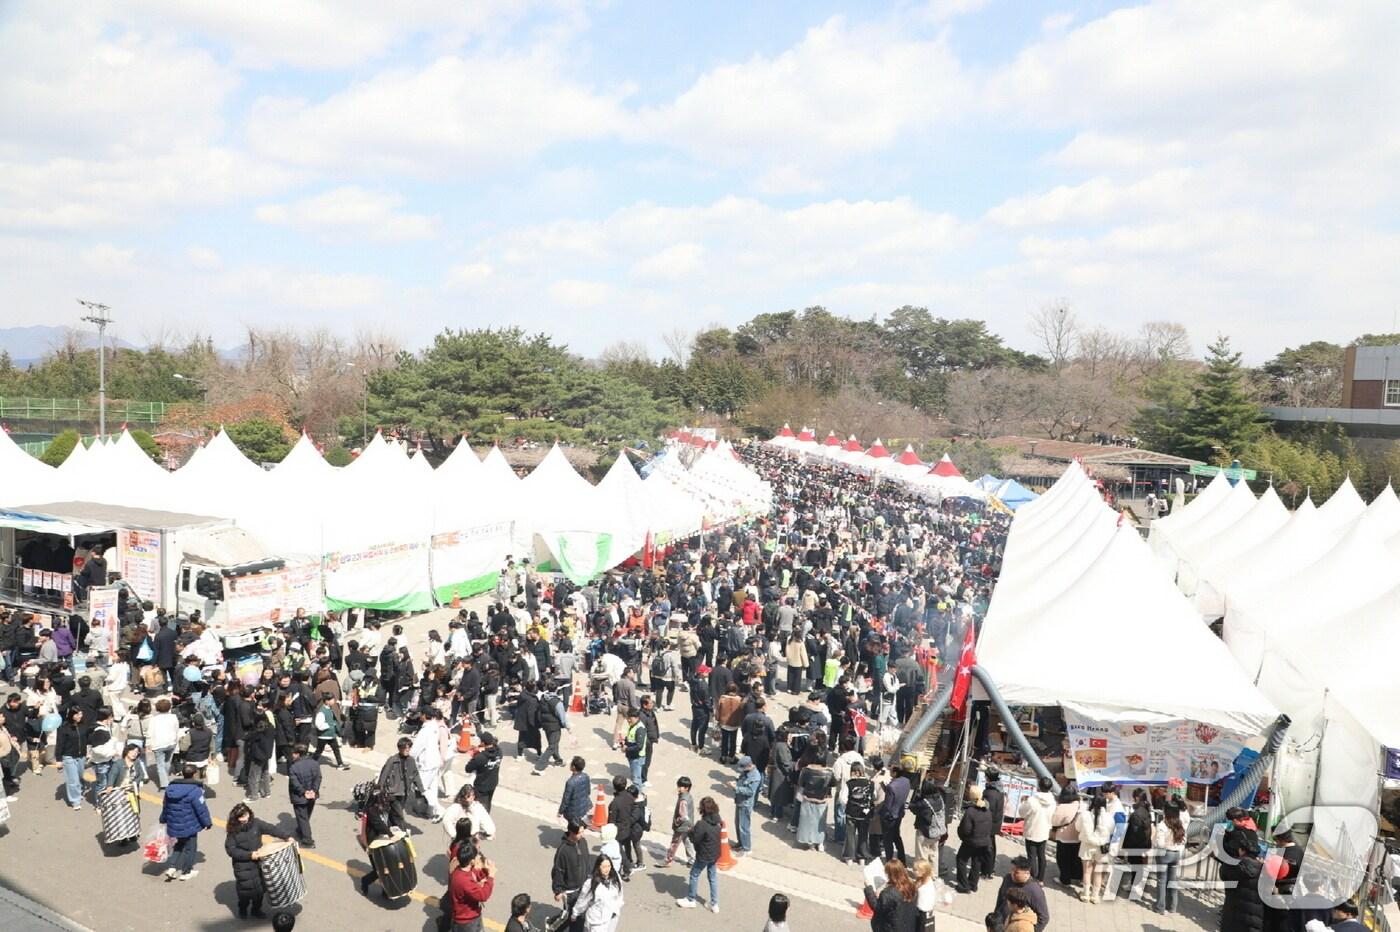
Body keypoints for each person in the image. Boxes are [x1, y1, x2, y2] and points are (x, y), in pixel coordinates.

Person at [224, 802, 291, 919]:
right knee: (245, 892)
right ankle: (243, 909)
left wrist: (286, 836)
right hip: (242, 867)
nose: (244, 819)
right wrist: (249, 855)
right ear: (236, 818)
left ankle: (256, 910)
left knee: (260, 891)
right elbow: (231, 850)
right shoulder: (233, 831)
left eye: (246, 815)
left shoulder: (256, 824)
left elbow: (271, 828)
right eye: (241, 817)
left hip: (259, 864)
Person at [159, 763, 212, 881]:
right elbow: (201, 808)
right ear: (194, 774)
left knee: (179, 844)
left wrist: (163, 819)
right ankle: (186, 871)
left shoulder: (170, 789)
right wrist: (207, 823)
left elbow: (165, 806)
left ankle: (172, 867)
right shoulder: (195, 790)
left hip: (174, 823)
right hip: (189, 824)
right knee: (191, 848)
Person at [676, 795, 722, 913]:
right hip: (715, 853)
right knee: (712, 877)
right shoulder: (718, 820)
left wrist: (691, 831)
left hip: (704, 854)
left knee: (694, 874)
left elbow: (695, 839)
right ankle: (714, 903)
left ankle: (691, 899)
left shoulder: (702, 824)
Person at [551, 820, 591, 932]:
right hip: (570, 891)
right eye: (580, 832)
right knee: (572, 917)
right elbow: (558, 871)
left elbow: (586, 861)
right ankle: (554, 926)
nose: (582, 835)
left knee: (577, 916)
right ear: (571, 833)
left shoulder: (583, 842)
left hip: (583, 887)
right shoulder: (563, 850)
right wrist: (558, 891)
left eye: (583, 831)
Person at [1074, 790, 1114, 904]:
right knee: (1098, 872)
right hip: (1101, 847)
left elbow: (1077, 828)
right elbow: (1111, 831)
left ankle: (1085, 894)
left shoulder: (1085, 815)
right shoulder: (1109, 817)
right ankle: (1095, 896)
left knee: (1086, 872)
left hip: (1087, 846)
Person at [447, 840, 496, 932]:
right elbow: (483, 895)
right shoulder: (464, 881)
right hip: (467, 922)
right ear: (472, 861)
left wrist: (486, 871)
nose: (478, 857)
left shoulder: (461, 870)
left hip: (468, 917)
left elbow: (475, 875)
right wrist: (491, 877)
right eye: (477, 856)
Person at [380, 736, 426, 830]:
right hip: (393, 792)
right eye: (405, 748)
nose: (407, 750)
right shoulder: (392, 760)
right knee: (399, 813)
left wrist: (421, 789)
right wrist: (380, 788)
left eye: (409, 747)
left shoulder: (411, 761)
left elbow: (415, 775)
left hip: (404, 792)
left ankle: (392, 827)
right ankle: (402, 830)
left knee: (396, 811)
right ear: (400, 748)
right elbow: (384, 774)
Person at [863, 858, 922, 932]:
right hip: (908, 926)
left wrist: (869, 889)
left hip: (891, 927)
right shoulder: (912, 886)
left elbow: (877, 907)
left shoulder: (889, 893)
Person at [570, 854, 624, 932]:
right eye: (604, 867)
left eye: (609, 866)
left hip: (611, 918)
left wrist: (617, 908)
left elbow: (620, 894)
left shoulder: (615, 878)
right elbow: (583, 900)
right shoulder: (591, 883)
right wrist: (575, 913)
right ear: (598, 867)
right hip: (597, 921)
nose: (607, 869)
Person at [956, 786, 995, 893]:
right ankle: (973, 884)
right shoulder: (987, 810)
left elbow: (965, 830)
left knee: (961, 860)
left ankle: (964, 885)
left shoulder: (970, 811)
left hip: (971, 841)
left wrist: (962, 836)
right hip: (984, 842)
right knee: (976, 862)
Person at [994, 856, 1049, 932]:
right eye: (1012, 870)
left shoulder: (1035, 891)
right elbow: (1000, 898)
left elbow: (1044, 917)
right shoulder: (1008, 879)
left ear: (1027, 873)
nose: (1012, 874)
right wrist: (995, 916)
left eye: (1016, 872)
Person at [1018, 777, 1056, 883]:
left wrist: (1023, 803)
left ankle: (1033, 877)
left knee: (1031, 856)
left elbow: (1022, 812)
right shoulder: (1053, 801)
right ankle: (1041, 878)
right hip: (1044, 831)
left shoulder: (1032, 800)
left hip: (1032, 830)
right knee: (1041, 855)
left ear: (1039, 786)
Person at [1220, 845, 1266, 932]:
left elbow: (1223, 873)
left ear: (1241, 851)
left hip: (1232, 915)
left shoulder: (1234, 866)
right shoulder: (1264, 871)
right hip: (1254, 919)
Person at [795, 751, 834, 850]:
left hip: (808, 798)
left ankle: (810, 843)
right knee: (820, 823)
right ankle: (820, 843)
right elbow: (833, 783)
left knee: (808, 822)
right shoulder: (829, 772)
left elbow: (800, 783)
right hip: (822, 800)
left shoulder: (806, 770)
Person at [1152, 806, 1187, 915]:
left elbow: (1160, 843)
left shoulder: (1162, 825)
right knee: (1172, 880)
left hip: (1164, 854)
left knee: (1161, 881)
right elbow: (1184, 840)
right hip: (1176, 854)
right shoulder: (1180, 824)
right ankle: (1172, 906)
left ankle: (1160, 907)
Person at [287, 743, 321, 848]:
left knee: (302, 817)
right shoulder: (315, 763)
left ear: (297, 754)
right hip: (312, 795)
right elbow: (318, 778)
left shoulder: (293, 767)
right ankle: (301, 829)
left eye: (294, 753)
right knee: (306, 814)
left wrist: (304, 792)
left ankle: (308, 841)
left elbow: (295, 783)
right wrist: (314, 791)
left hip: (300, 797)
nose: (292, 755)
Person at [840, 761, 875, 863]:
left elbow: (842, 799)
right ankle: (862, 857)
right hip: (865, 815)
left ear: (854, 772)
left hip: (851, 813)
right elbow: (874, 796)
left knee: (850, 835)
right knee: (863, 835)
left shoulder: (849, 784)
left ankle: (849, 857)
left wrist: (849, 805)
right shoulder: (870, 783)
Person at [54, 705, 88, 810]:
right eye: (78, 714)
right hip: (69, 757)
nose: (80, 716)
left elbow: (87, 739)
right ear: (72, 715)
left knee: (80, 776)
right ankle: (75, 800)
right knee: (72, 780)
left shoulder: (83, 725)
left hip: (81, 756)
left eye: (81, 713)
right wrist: (58, 760)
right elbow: (59, 744)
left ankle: (79, 791)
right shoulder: (64, 728)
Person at [607, 775, 640, 878]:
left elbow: (612, 821)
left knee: (619, 849)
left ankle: (627, 867)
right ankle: (629, 860)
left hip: (618, 830)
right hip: (628, 827)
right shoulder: (630, 797)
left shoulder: (615, 803)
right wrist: (629, 822)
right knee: (627, 846)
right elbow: (634, 810)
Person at [910, 780, 947, 872]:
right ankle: (934, 875)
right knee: (934, 854)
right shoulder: (940, 799)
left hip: (925, 832)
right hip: (937, 831)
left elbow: (912, 807)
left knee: (921, 855)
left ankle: (922, 876)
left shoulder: (924, 803)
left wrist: (916, 794)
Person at [1049, 785, 1082, 888]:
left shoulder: (1061, 807)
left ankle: (1065, 880)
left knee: (1063, 860)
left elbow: (1054, 821)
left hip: (1064, 837)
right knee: (1076, 859)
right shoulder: (1081, 805)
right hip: (1078, 837)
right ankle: (1077, 877)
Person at [880, 765, 912, 864]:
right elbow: (897, 795)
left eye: (891, 770)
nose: (889, 772)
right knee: (897, 837)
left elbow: (888, 805)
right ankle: (902, 860)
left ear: (895, 773)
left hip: (890, 817)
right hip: (899, 813)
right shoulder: (906, 781)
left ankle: (889, 862)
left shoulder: (891, 786)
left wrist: (881, 815)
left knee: (888, 840)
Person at [461, 731, 501, 811]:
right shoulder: (499, 752)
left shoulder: (480, 757)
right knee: (488, 802)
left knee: (481, 807)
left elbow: (468, 768)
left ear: (483, 742)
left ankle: (483, 821)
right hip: (493, 782)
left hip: (481, 785)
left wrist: (474, 756)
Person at [732, 754, 762, 854]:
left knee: (744, 827)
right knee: (737, 824)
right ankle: (740, 843)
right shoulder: (746, 772)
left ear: (749, 765)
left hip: (745, 804)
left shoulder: (755, 776)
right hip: (739, 801)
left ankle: (746, 848)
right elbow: (740, 779)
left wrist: (736, 788)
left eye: (743, 768)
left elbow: (750, 792)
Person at [663, 776, 695, 867]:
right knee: (687, 841)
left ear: (686, 788)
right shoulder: (689, 796)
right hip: (689, 825)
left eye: (681, 787)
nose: (678, 788)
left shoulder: (683, 800)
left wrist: (677, 822)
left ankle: (668, 860)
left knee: (674, 843)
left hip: (681, 827)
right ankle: (692, 859)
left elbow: (683, 816)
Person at [558, 756, 592, 824]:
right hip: (584, 807)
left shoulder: (570, 782)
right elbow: (588, 792)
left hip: (573, 812)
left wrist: (560, 811)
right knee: (578, 825)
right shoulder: (586, 776)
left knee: (573, 828)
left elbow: (565, 800)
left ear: (573, 767)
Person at [622, 709, 648, 788]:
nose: (628, 720)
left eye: (630, 718)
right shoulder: (632, 726)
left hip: (637, 757)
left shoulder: (640, 729)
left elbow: (639, 746)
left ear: (637, 718)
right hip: (632, 755)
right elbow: (630, 738)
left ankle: (638, 795)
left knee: (636, 779)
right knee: (635, 775)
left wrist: (626, 749)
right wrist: (625, 742)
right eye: (627, 718)